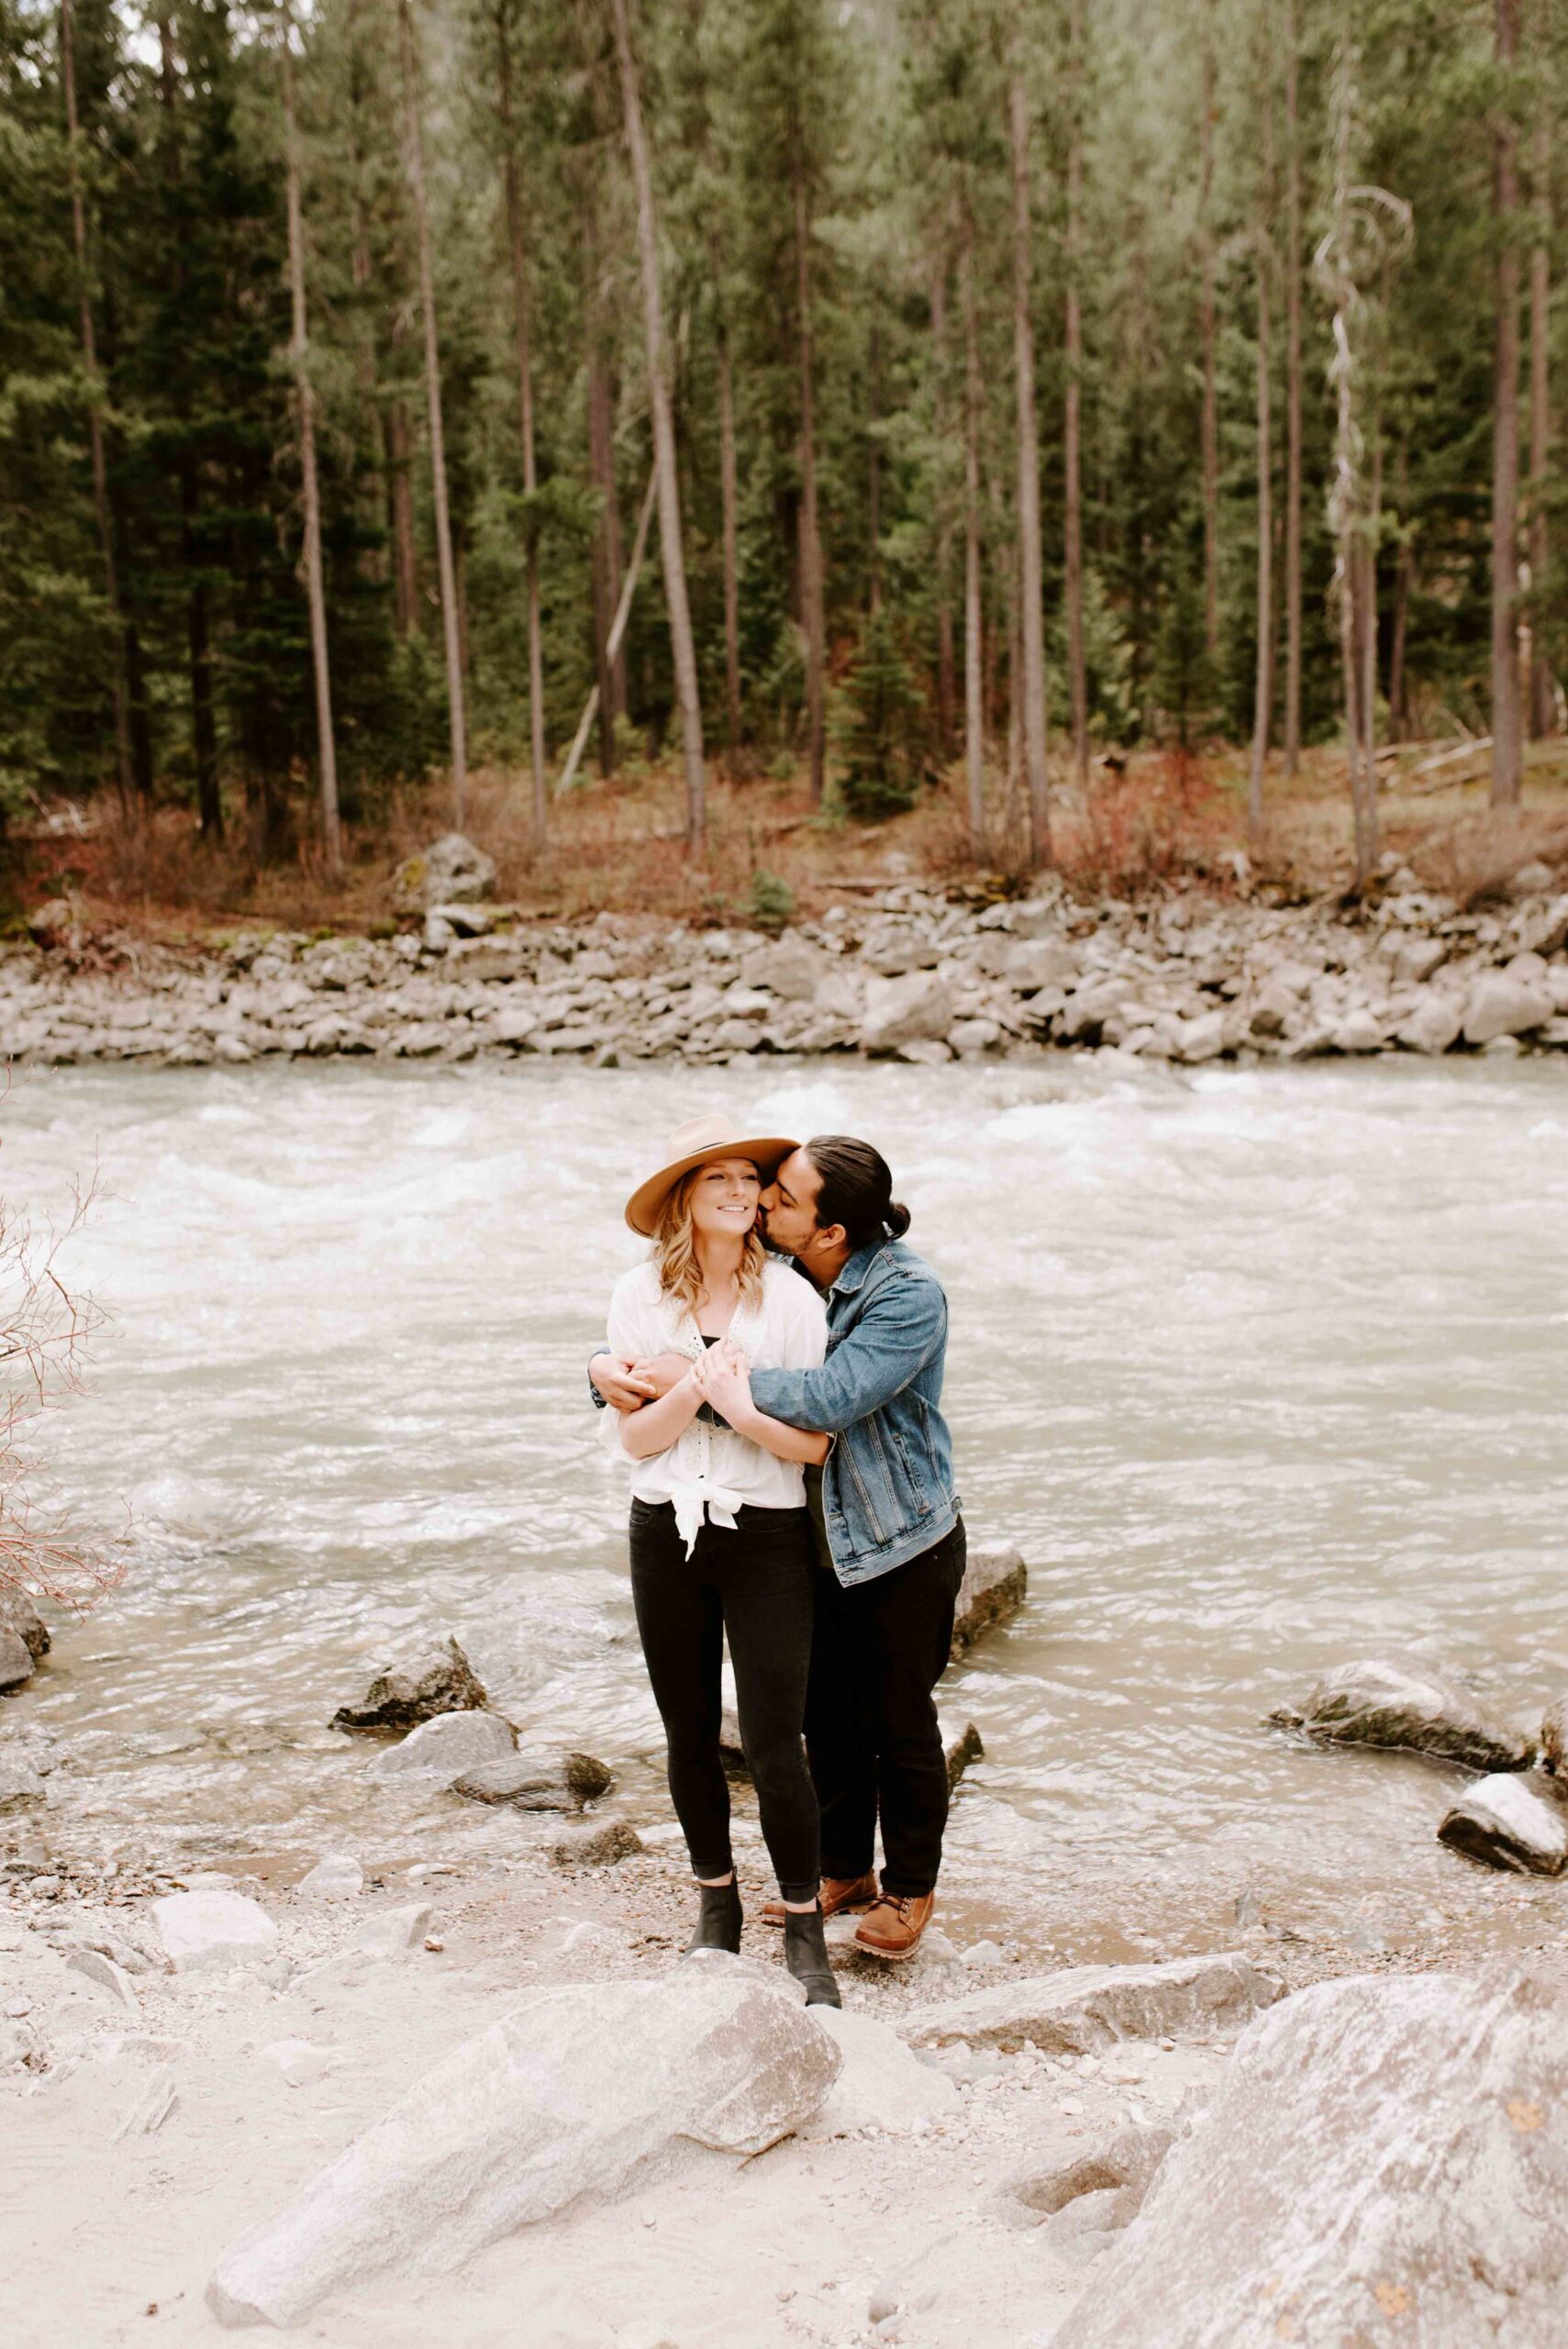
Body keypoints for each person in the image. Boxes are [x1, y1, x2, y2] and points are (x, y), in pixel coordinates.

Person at [594, 1134, 963, 1965]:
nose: (761, 1204)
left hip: (895, 1533)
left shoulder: (906, 1294)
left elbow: (828, 1400)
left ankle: (908, 1888)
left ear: (828, 1232)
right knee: (821, 1711)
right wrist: (608, 1369)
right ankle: (843, 1871)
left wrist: (683, 1376)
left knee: (899, 1719)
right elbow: (652, 1375)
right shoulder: (795, 1278)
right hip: (809, 1532)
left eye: (779, 1199)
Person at [601, 1110, 841, 2006]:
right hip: (663, 1526)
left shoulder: (790, 1302)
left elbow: (810, 1443)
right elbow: (633, 1439)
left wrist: (723, 1403)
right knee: (687, 1732)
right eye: (720, 1181)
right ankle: (715, 1908)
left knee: (777, 1741)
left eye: (751, 1179)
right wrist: (699, 1391)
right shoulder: (637, 1296)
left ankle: (803, 1928)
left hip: (766, 1533)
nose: (742, 1194)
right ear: (684, 1199)